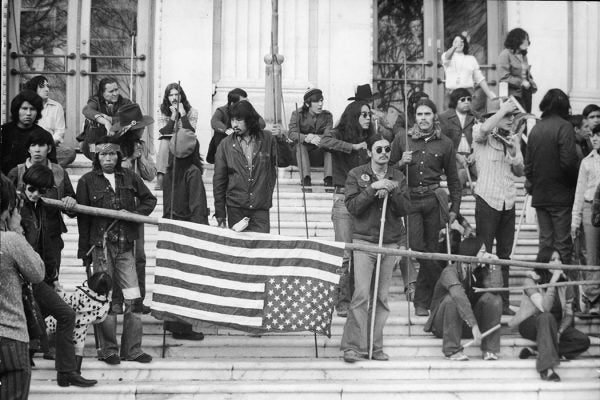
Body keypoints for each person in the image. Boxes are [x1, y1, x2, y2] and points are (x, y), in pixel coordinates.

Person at [76, 135, 157, 365]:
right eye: (103, 154)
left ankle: (132, 349)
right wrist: (84, 251)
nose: (109, 158)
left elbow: (149, 200)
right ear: (96, 157)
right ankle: (108, 350)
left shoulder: (130, 177)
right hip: (100, 249)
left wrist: (133, 215)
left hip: (125, 249)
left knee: (133, 299)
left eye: (112, 154)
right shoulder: (86, 181)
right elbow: (83, 220)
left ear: (119, 155)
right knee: (105, 300)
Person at [18, 164, 96, 387]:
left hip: (37, 278)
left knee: (66, 314)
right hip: (17, 279)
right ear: (24, 184)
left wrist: (53, 277)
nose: (35, 194)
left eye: (42, 191)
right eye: (32, 188)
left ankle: (66, 372)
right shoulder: (15, 207)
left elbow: (47, 245)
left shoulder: (42, 207)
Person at [340, 133, 409, 363]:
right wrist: (373, 188)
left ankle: (374, 347)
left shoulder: (398, 176)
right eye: (378, 149)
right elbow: (352, 207)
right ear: (369, 152)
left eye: (387, 149)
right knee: (360, 296)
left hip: (388, 244)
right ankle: (352, 346)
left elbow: (404, 209)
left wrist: (393, 190)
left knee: (381, 298)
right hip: (363, 242)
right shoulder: (356, 174)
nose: (383, 154)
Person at [390, 98, 461, 317]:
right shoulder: (403, 138)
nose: (423, 119)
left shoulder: (445, 143)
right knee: (418, 248)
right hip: (409, 200)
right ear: (415, 117)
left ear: (434, 117)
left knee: (431, 250)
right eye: (419, 115)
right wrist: (402, 162)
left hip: (432, 201)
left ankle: (422, 302)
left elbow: (453, 179)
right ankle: (448, 282)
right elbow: (388, 169)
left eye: (427, 114)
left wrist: (454, 210)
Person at [472, 98, 524, 315]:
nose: (511, 120)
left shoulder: (513, 138)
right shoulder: (480, 131)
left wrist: (513, 151)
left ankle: (503, 302)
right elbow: (483, 130)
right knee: (486, 254)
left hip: (508, 201)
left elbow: (520, 171)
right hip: (487, 199)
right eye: (507, 116)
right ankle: (485, 302)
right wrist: (503, 108)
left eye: (513, 116)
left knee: (505, 255)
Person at [319, 100, 372, 316]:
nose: (368, 118)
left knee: (362, 254)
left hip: (366, 201)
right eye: (364, 115)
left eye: (369, 115)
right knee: (344, 254)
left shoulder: (370, 138)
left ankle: (359, 300)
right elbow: (324, 141)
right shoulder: (339, 134)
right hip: (343, 201)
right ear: (353, 116)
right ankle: (341, 301)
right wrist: (353, 147)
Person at [8, 129, 76, 288]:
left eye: (41, 145)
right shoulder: (16, 172)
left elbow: (71, 207)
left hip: (51, 235)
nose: (37, 150)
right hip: (22, 237)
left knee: (50, 283)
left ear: (50, 149)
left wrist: (70, 202)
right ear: (28, 148)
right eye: (33, 145)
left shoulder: (59, 172)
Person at [513, 247, 590, 382]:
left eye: (559, 259)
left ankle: (539, 351)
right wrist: (553, 282)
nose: (557, 262)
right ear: (543, 262)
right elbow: (544, 308)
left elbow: (569, 314)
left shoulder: (565, 283)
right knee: (547, 317)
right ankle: (547, 369)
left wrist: (560, 332)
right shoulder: (530, 281)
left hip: (556, 324)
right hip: (531, 323)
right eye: (552, 259)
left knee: (583, 340)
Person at [108, 104, 156, 314]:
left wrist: (141, 157)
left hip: (136, 210)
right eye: (139, 128)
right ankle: (117, 300)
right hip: (117, 208)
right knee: (118, 256)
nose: (142, 131)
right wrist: (128, 159)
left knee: (140, 256)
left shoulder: (141, 146)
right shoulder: (115, 148)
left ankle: (137, 300)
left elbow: (151, 174)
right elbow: (116, 173)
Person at [0, 174, 45, 400]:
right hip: (10, 339)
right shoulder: (9, 241)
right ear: (8, 207)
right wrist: (17, 231)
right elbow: (37, 272)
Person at [162, 129, 208, 340]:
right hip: (188, 229)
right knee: (187, 280)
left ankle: (172, 321)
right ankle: (183, 326)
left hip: (172, 229)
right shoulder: (193, 172)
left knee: (173, 278)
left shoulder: (170, 173)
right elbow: (197, 206)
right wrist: (201, 233)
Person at [525, 89, 579, 268]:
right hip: (562, 195)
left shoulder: (536, 129)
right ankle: (562, 291)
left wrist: (534, 185)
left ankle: (545, 286)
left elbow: (528, 166)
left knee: (545, 246)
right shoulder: (565, 127)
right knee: (563, 246)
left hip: (540, 195)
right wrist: (574, 185)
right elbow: (569, 163)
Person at [425, 237, 502, 361]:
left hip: (466, 324)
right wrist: (474, 325)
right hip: (444, 324)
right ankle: (452, 350)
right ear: (471, 252)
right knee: (452, 299)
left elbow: (496, 289)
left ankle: (489, 349)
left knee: (494, 299)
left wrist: (495, 265)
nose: (487, 255)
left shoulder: (481, 270)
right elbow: (458, 295)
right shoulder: (449, 271)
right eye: (482, 251)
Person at [213, 100, 277, 233]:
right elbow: (219, 180)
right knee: (237, 251)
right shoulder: (225, 145)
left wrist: (282, 139)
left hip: (261, 207)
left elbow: (283, 161)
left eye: (239, 120)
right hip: (236, 208)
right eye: (232, 120)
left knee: (262, 249)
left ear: (249, 120)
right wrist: (220, 212)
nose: (234, 124)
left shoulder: (267, 139)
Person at [571, 125, 600, 314]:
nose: (595, 139)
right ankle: (593, 298)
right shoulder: (587, 162)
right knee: (591, 255)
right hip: (591, 209)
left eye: (599, 136)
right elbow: (580, 193)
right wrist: (575, 220)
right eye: (593, 136)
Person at [1, 90, 57, 175]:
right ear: (17, 110)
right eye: (24, 108)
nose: (28, 113)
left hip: (34, 179)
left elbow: (52, 165)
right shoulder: (4, 132)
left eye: (32, 109)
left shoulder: (44, 135)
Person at [24, 75, 76, 167]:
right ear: (33, 89)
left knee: (70, 152)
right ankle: (44, 166)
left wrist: (47, 145)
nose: (47, 89)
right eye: (42, 86)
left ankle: (44, 168)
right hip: (30, 148)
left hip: (50, 147)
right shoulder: (26, 107)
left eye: (48, 86)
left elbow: (59, 132)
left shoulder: (57, 107)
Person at [155, 83, 198, 190]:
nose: (174, 98)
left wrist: (183, 114)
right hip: (169, 139)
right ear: (167, 97)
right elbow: (164, 131)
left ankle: (186, 178)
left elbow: (190, 131)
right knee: (164, 141)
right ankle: (161, 177)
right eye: (171, 95)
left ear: (181, 96)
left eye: (176, 94)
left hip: (185, 140)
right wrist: (173, 116)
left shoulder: (192, 111)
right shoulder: (162, 110)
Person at [288, 88, 334, 188]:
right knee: (301, 145)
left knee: (329, 147)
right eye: (316, 101)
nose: (320, 104)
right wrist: (306, 137)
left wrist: (315, 137)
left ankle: (328, 179)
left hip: (318, 152)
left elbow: (328, 135)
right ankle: (306, 179)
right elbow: (291, 133)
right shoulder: (297, 114)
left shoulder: (327, 116)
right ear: (308, 104)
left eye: (321, 100)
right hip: (300, 155)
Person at [208, 88, 266, 164]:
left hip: (246, 143)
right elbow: (214, 122)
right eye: (243, 102)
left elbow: (261, 123)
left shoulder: (248, 109)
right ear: (232, 103)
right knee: (219, 134)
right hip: (227, 143)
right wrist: (227, 130)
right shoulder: (222, 110)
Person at [441, 34, 496, 114]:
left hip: (467, 95)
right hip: (451, 95)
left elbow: (480, 78)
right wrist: (454, 47)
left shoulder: (471, 59)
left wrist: (490, 94)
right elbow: (447, 57)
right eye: (456, 41)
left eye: (461, 41)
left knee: (468, 120)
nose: (459, 43)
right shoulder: (446, 56)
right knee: (450, 120)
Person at [80, 78, 132, 160]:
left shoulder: (125, 103)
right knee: (98, 152)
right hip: (94, 146)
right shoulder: (95, 101)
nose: (115, 93)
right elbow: (87, 110)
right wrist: (105, 122)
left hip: (119, 145)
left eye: (116, 90)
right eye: (111, 91)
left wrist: (110, 119)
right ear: (102, 93)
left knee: (115, 153)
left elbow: (130, 117)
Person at [438, 88, 478, 189]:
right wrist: (457, 155)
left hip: (472, 156)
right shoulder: (444, 117)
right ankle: (457, 201)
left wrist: (474, 154)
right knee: (459, 174)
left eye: (469, 99)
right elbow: (442, 141)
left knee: (483, 172)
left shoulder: (475, 117)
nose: (467, 102)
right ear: (455, 101)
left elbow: (480, 139)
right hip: (453, 156)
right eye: (463, 99)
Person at [498, 28, 537, 112]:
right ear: (516, 40)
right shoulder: (505, 54)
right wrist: (521, 82)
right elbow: (504, 77)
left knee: (528, 117)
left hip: (526, 92)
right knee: (520, 119)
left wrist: (531, 82)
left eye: (527, 39)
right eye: (525, 39)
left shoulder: (523, 55)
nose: (527, 42)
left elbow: (525, 73)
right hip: (513, 94)